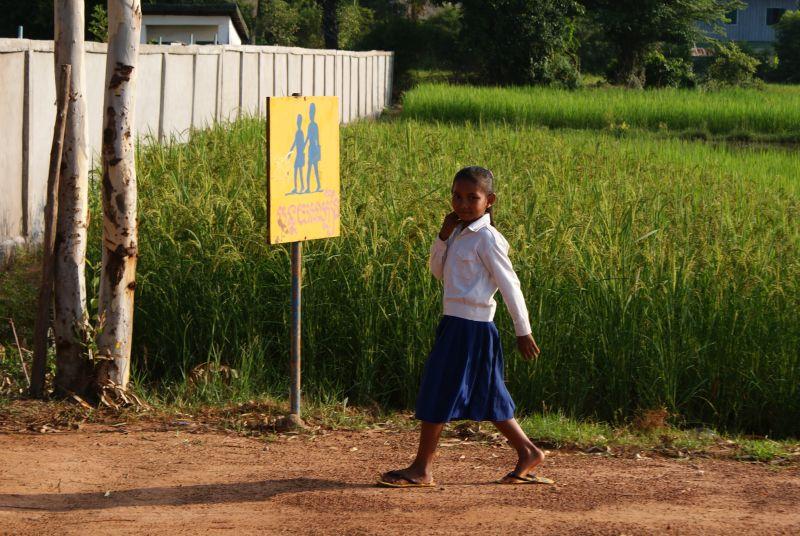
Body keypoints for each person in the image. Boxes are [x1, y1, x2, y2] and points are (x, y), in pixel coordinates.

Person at [377, 166, 549, 488]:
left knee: (438, 388)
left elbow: (511, 285)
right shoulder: (457, 231)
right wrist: (442, 237)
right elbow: (438, 273)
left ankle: (421, 469)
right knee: (488, 395)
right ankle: (528, 451)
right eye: (457, 196)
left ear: (490, 200)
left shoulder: (487, 238)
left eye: (473, 198)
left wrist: (522, 329)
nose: (464, 204)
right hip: (453, 324)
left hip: (472, 330)